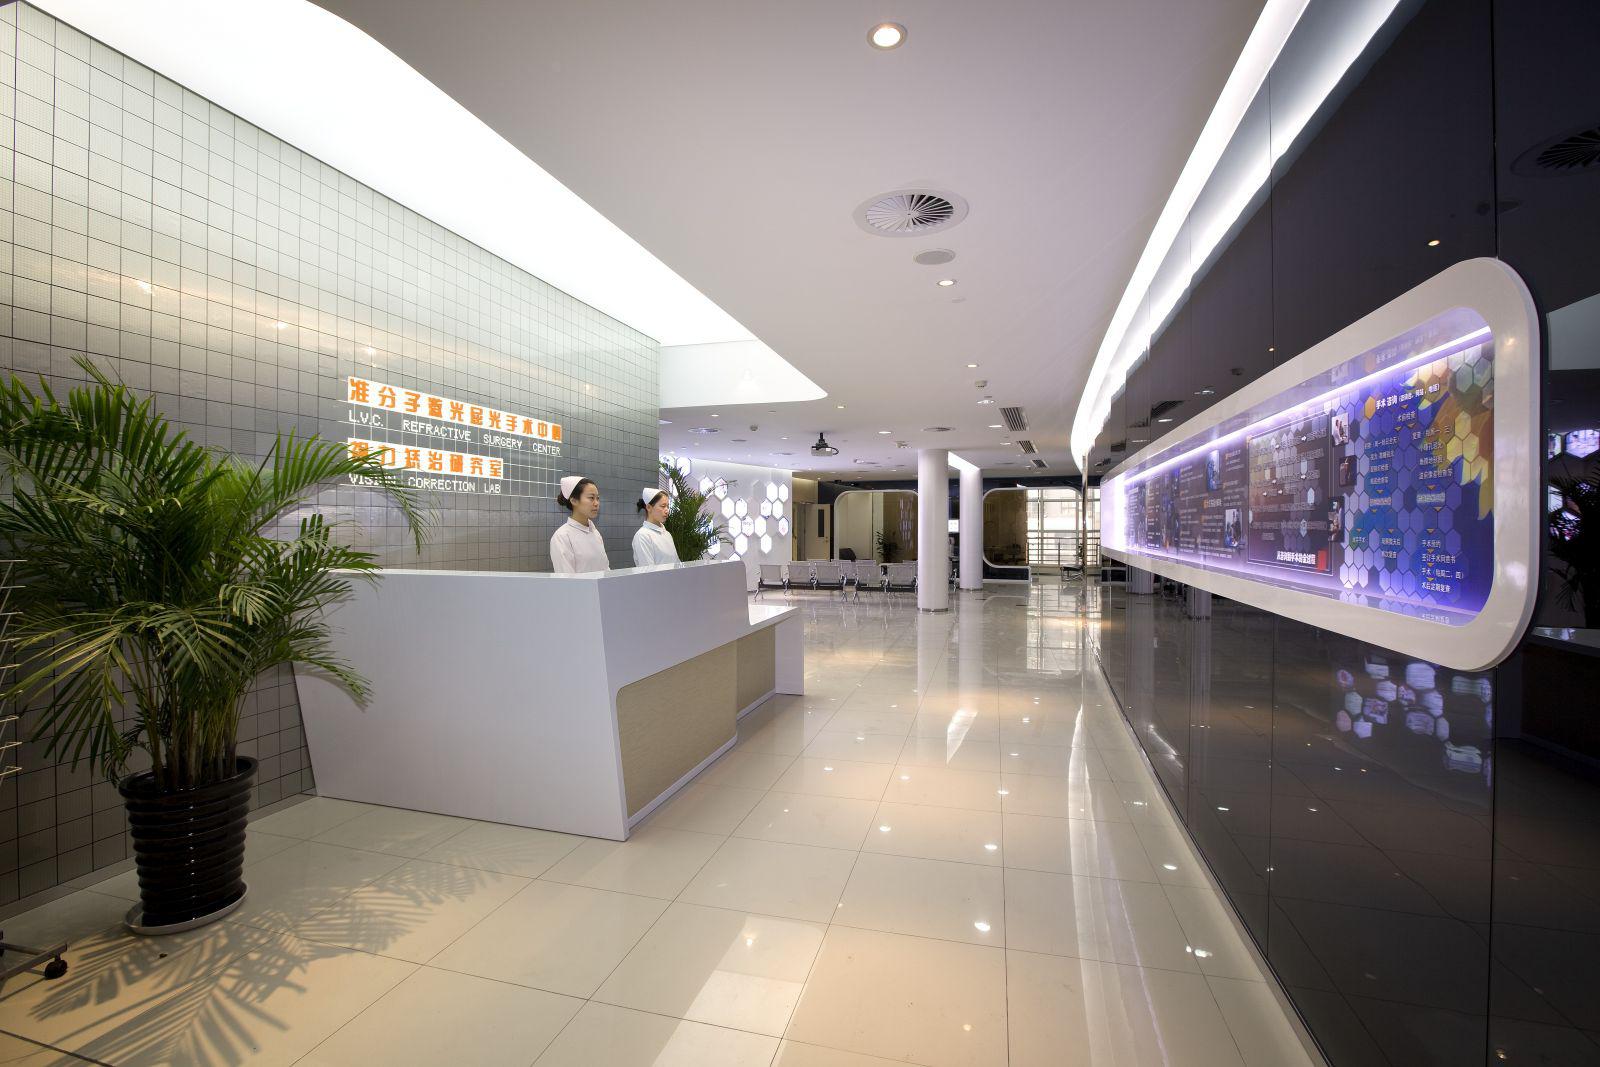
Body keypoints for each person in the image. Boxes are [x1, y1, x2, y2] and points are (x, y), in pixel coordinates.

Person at [550, 475, 609, 573]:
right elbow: (567, 579)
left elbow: (606, 569)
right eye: (591, 498)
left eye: (597, 498)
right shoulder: (562, 537)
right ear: (574, 500)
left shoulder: (595, 533)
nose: (596, 503)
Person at [632, 487, 680, 567]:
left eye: (667, 506)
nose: (667, 510)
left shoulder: (667, 534)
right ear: (649, 507)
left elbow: (677, 564)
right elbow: (648, 571)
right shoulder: (642, 536)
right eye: (663, 506)